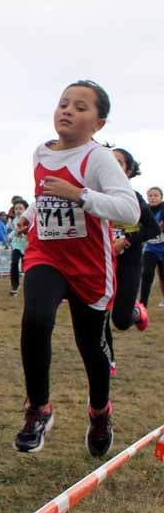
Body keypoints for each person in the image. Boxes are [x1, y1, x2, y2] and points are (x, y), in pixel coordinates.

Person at [13, 80, 138, 456]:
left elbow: (129, 210)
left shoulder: (98, 157)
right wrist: (31, 215)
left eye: (80, 107)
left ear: (98, 123)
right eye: (63, 103)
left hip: (88, 266)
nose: (67, 110)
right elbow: (44, 194)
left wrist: (80, 195)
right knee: (35, 320)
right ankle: (39, 408)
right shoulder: (40, 152)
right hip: (46, 254)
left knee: (92, 347)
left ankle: (100, 411)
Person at [103, 147, 155, 375]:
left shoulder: (134, 199)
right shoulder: (96, 196)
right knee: (99, 312)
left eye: (119, 163)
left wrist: (126, 240)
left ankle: (136, 311)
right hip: (102, 262)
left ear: (129, 171)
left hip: (129, 262)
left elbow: (152, 228)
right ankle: (108, 360)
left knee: (121, 320)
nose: (112, 166)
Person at [140, 186, 164, 308]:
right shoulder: (145, 209)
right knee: (147, 274)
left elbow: (158, 226)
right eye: (150, 196)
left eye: (156, 195)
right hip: (151, 248)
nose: (152, 198)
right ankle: (143, 304)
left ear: (161, 197)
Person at [8, 199, 29, 296]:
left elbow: (18, 231)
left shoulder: (29, 219)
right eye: (16, 208)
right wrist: (10, 237)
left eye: (20, 208)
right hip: (16, 245)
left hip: (27, 246)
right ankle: (15, 286)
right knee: (14, 263)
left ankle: (30, 286)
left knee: (27, 268)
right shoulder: (14, 220)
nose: (18, 210)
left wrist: (11, 235)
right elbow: (15, 230)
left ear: (26, 209)